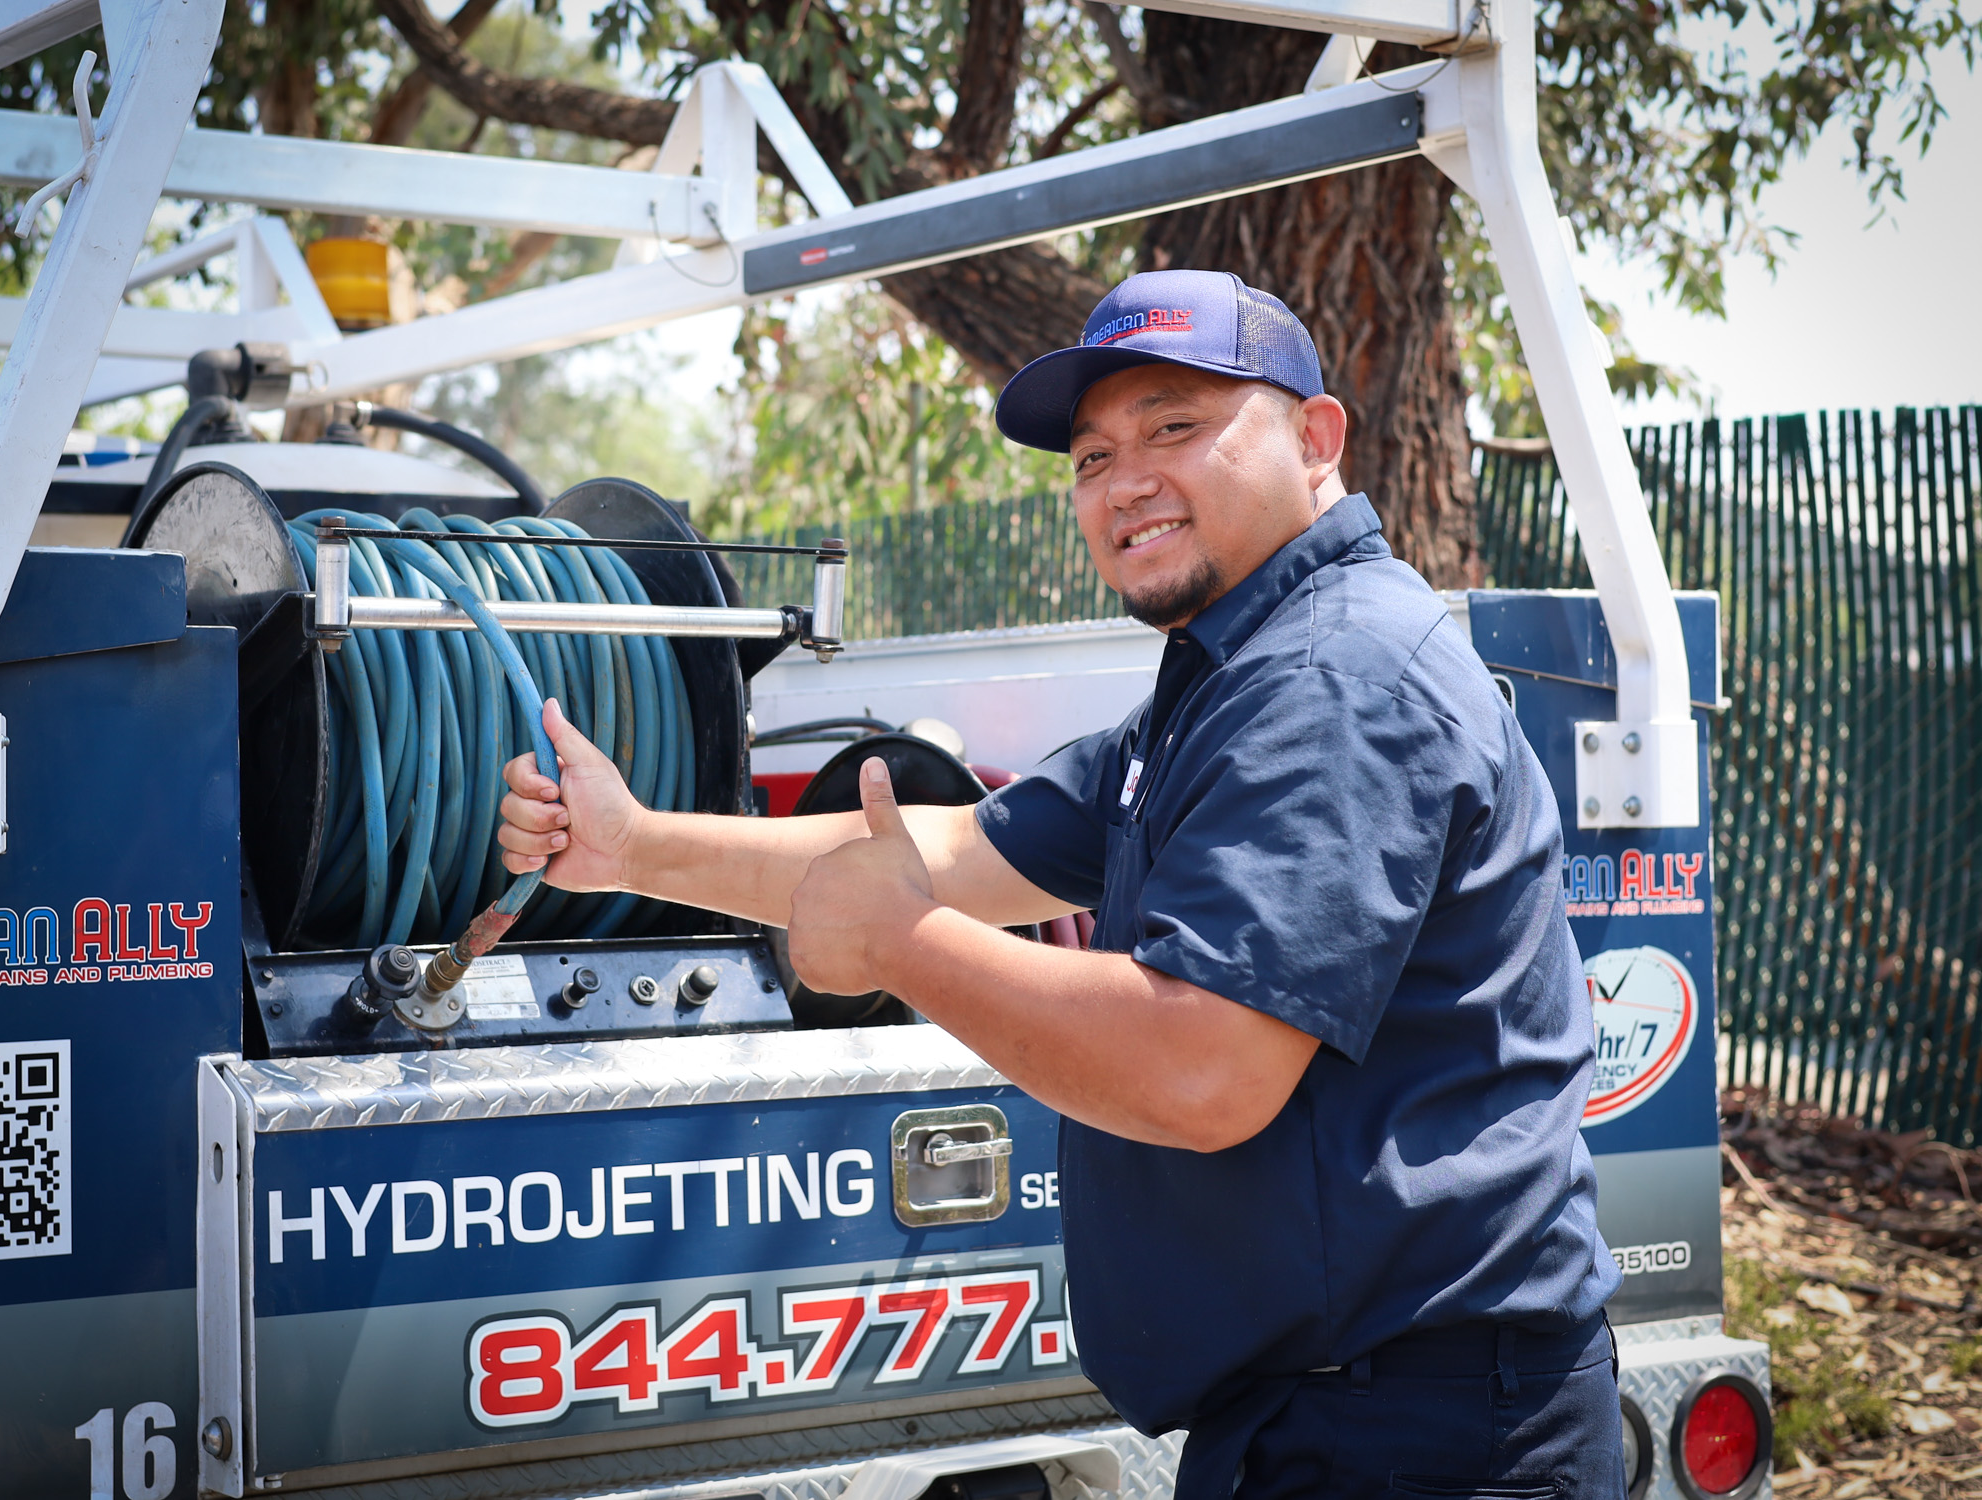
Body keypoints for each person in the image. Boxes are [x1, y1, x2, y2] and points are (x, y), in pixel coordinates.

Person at [497, 269, 1625, 1500]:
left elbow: (1201, 1069)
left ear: (1313, 438)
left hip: (1425, 1436)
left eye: (1173, 429)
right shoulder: (1228, 676)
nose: (1121, 481)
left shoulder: (1333, 681)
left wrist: (901, 948)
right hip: (1342, 1413)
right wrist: (633, 847)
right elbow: (959, 853)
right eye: (1090, 459)